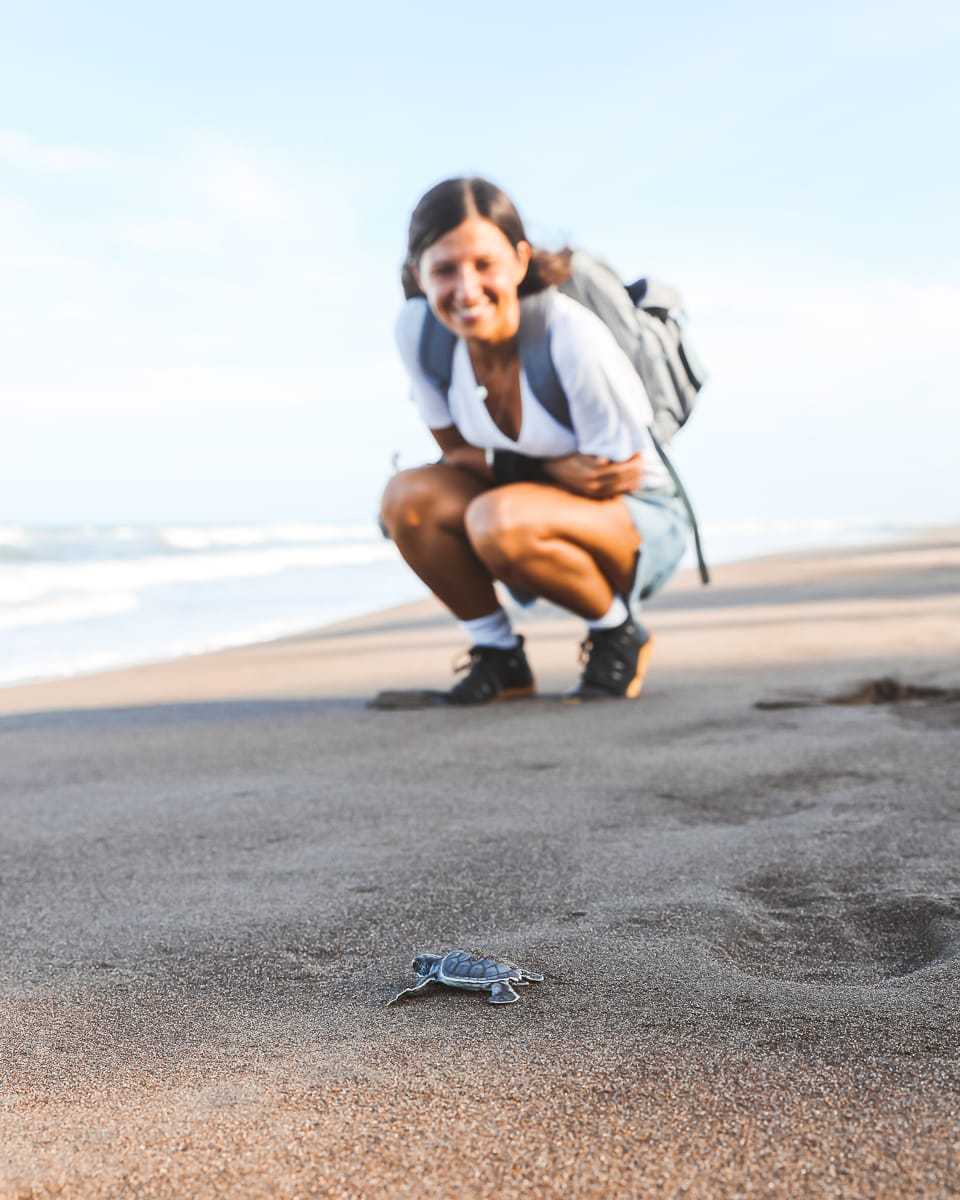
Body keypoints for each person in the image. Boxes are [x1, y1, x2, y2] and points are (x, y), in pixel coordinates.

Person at [379, 176, 690, 704]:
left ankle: (619, 633)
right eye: (444, 269)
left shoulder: (568, 335)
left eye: (484, 264)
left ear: (520, 260)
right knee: (406, 499)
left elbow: (606, 479)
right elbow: (455, 454)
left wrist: (511, 473)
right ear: (418, 275)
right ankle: (500, 658)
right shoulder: (418, 331)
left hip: (637, 518)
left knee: (496, 518)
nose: (467, 289)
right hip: (525, 505)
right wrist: (545, 469)